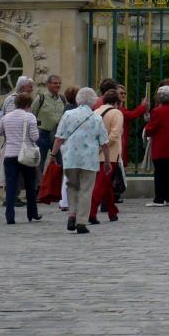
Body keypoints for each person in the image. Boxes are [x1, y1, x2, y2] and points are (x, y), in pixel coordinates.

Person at [52, 87, 109, 234]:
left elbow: (59, 138)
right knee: (86, 190)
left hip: (70, 158)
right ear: (94, 101)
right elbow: (104, 142)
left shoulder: (68, 115)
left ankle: (72, 214)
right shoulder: (96, 117)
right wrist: (107, 161)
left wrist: (53, 154)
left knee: (72, 187)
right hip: (89, 159)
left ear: (78, 99)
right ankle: (82, 222)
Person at [0, 93, 41, 224]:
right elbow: (35, 137)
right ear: (28, 105)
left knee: (11, 186)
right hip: (26, 155)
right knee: (30, 185)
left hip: (10, 155)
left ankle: (10, 216)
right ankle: (32, 213)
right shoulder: (30, 117)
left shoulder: (6, 117)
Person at [143, 85, 169, 206]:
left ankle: (159, 198)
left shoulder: (157, 111)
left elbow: (151, 128)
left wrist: (145, 128)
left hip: (161, 146)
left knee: (160, 173)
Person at [89, 89, 124, 223]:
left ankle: (112, 211)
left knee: (106, 185)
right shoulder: (116, 113)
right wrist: (101, 148)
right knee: (100, 185)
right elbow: (114, 135)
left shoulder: (95, 112)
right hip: (109, 155)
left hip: (94, 154)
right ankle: (91, 212)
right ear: (117, 102)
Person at [32, 75, 65, 175]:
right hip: (42, 134)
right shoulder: (40, 98)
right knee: (39, 163)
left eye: (59, 83)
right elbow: (32, 115)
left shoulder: (63, 99)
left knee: (61, 162)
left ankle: (59, 187)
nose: (58, 85)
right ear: (48, 85)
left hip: (58, 136)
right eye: (55, 83)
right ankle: (38, 187)